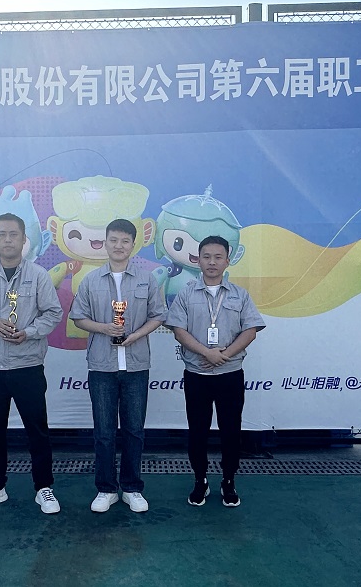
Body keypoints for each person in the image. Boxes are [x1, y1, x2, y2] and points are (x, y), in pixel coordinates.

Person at [0, 213, 65, 514]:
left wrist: (29, 332)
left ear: (24, 240)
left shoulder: (38, 275)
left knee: (37, 430)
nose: (8, 240)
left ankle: (44, 488)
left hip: (27, 365)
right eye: (2, 234)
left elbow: (53, 313)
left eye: (13, 234)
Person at [70, 218, 166, 513]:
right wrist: (103, 328)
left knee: (134, 430)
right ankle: (106, 488)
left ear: (133, 245)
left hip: (136, 365)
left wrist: (135, 335)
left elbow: (158, 315)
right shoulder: (91, 280)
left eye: (125, 241)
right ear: (106, 243)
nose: (119, 246)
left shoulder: (146, 279)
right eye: (113, 240)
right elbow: (78, 317)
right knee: (104, 431)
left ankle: (132, 488)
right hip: (102, 366)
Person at [165, 235, 265, 508]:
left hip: (230, 373)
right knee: (197, 431)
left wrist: (223, 355)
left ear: (227, 261)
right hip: (196, 374)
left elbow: (251, 330)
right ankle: (200, 480)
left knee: (231, 430)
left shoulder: (240, 295)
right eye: (206, 257)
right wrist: (206, 353)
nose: (212, 262)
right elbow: (179, 330)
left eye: (218, 257)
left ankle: (228, 481)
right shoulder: (186, 293)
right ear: (198, 260)